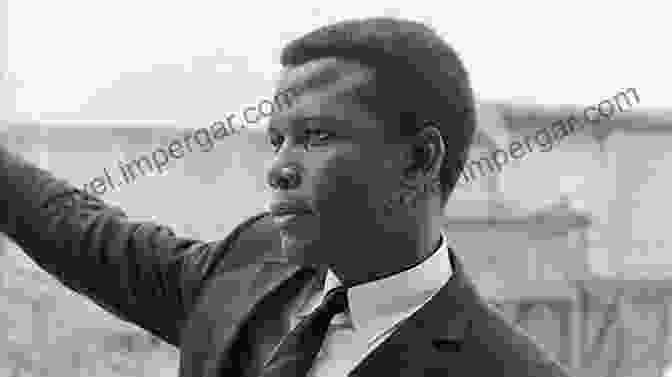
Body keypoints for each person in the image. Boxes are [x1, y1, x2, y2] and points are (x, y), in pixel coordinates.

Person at [0, 17, 572, 377]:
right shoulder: (251, 261)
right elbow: (85, 235)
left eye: (316, 137)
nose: (277, 168)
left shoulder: (504, 366)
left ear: (420, 159)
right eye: (277, 140)